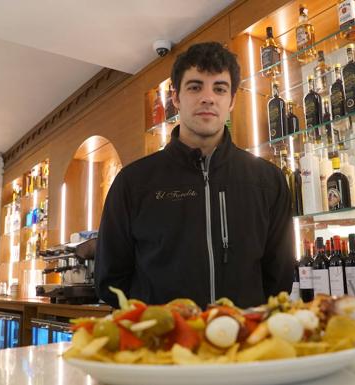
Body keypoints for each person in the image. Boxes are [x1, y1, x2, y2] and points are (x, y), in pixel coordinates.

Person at [95, 42, 294, 309]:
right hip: (164, 345)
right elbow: (111, 280)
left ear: (232, 100)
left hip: (244, 343)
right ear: (176, 98)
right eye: (195, 86)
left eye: (220, 88)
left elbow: (278, 279)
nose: (208, 98)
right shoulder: (133, 182)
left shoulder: (268, 181)